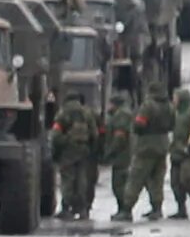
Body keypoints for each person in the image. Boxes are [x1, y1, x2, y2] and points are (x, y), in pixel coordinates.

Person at [49, 91, 101, 221]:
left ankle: (66, 208)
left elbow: (56, 134)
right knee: (82, 180)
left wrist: (57, 149)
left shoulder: (63, 112)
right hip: (84, 150)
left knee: (68, 179)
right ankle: (83, 210)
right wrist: (93, 150)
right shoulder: (87, 112)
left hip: (68, 151)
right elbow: (94, 134)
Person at [129, 86, 176, 220]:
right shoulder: (169, 106)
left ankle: (126, 209)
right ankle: (157, 208)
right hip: (162, 145)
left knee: (136, 177)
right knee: (157, 179)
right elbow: (173, 124)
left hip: (146, 146)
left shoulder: (148, 106)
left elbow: (139, 124)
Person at [100, 93, 138, 221]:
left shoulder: (121, 115)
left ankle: (125, 210)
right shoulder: (121, 114)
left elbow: (119, 136)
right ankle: (122, 209)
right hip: (122, 154)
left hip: (122, 155)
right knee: (119, 184)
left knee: (119, 185)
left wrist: (110, 152)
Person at [168, 86, 190, 219]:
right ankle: (181, 209)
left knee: (186, 180)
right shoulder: (175, 113)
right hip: (175, 151)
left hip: (188, 152)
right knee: (175, 182)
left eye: (176, 98)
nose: (174, 101)